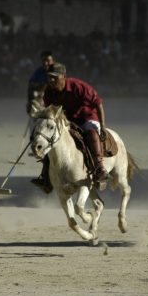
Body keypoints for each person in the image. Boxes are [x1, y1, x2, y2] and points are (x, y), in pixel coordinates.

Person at [31, 62, 109, 193]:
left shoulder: (78, 86)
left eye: (54, 77)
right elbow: (50, 112)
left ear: (63, 76)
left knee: (90, 133)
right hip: (66, 121)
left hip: (86, 118)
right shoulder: (49, 91)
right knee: (50, 139)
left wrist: (103, 126)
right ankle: (46, 175)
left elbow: (98, 104)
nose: (51, 80)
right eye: (49, 77)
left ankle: (99, 168)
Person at [26, 51, 54, 118]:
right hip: (40, 96)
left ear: (52, 61)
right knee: (33, 94)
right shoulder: (39, 71)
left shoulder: (56, 70)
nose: (45, 63)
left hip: (54, 97)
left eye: (48, 61)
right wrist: (40, 88)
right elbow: (31, 83)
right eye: (43, 61)